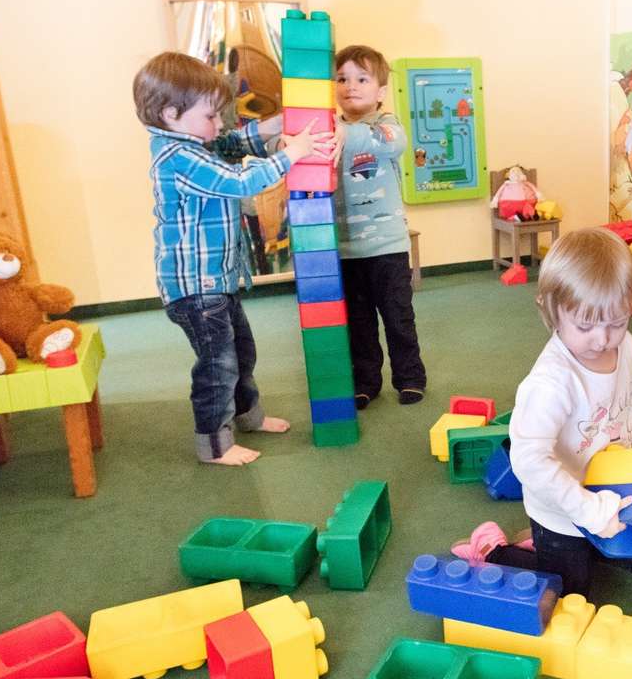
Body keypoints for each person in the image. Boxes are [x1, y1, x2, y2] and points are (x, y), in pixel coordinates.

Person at [134, 51, 333, 466]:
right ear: (171, 114)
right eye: (210, 115)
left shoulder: (197, 145)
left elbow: (231, 143)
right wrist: (292, 153)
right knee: (217, 364)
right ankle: (214, 444)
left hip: (216, 283)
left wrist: (282, 124)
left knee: (241, 352)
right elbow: (241, 179)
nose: (219, 123)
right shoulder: (179, 158)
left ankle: (247, 416)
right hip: (194, 289)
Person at [452, 227, 632, 597]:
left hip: (606, 486)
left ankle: (558, 543)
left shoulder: (625, 345)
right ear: (553, 312)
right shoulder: (551, 382)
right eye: (585, 326)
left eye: (616, 322)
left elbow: (620, 402)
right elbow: (529, 462)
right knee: (570, 593)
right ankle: (494, 550)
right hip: (560, 512)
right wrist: (586, 510)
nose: (602, 339)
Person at [330, 44, 427, 408]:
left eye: (361, 78)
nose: (350, 85)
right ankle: (366, 381)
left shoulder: (387, 125)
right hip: (345, 247)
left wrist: (343, 134)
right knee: (358, 323)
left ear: (380, 91)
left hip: (387, 246)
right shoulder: (331, 128)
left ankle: (410, 377)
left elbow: (392, 144)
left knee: (398, 317)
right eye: (342, 78)